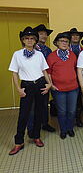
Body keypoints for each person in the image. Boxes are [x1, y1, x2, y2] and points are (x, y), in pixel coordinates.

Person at [8, 27, 51, 155]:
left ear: (35, 40)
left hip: (40, 84)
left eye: (32, 38)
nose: (30, 40)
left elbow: (44, 71)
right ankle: (19, 141)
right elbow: (14, 73)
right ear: (23, 40)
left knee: (39, 111)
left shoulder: (39, 54)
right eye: (27, 38)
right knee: (24, 114)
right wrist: (18, 89)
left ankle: (36, 136)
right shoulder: (17, 54)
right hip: (26, 85)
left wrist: (49, 84)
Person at [47, 32, 79, 139]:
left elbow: (76, 69)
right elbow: (48, 72)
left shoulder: (73, 55)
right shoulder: (51, 56)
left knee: (72, 110)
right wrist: (51, 85)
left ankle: (70, 128)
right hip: (58, 89)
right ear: (57, 43)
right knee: (62, 111)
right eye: (62, 41)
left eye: (66, 41)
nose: (64, 43)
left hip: (73, 88)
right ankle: (63, 130)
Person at [26, 24, 55, 137]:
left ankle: (44, 123)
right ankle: (31, 128)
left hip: (45, 80)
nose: (44, 36)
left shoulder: (48, 50)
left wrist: (50, 81)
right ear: (36, 36)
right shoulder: (30, 49)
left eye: (45, 34)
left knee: (44, 103)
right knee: (32, 106)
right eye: (41, 33)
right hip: (32, 80)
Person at [68, 28, 83, 127]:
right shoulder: (65, 50)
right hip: (70, 78)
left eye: (77, 35)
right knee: (72, 100)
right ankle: (70, 120)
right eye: (73, 35)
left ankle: (79, 119)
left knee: (80, 101)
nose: (75, 37)